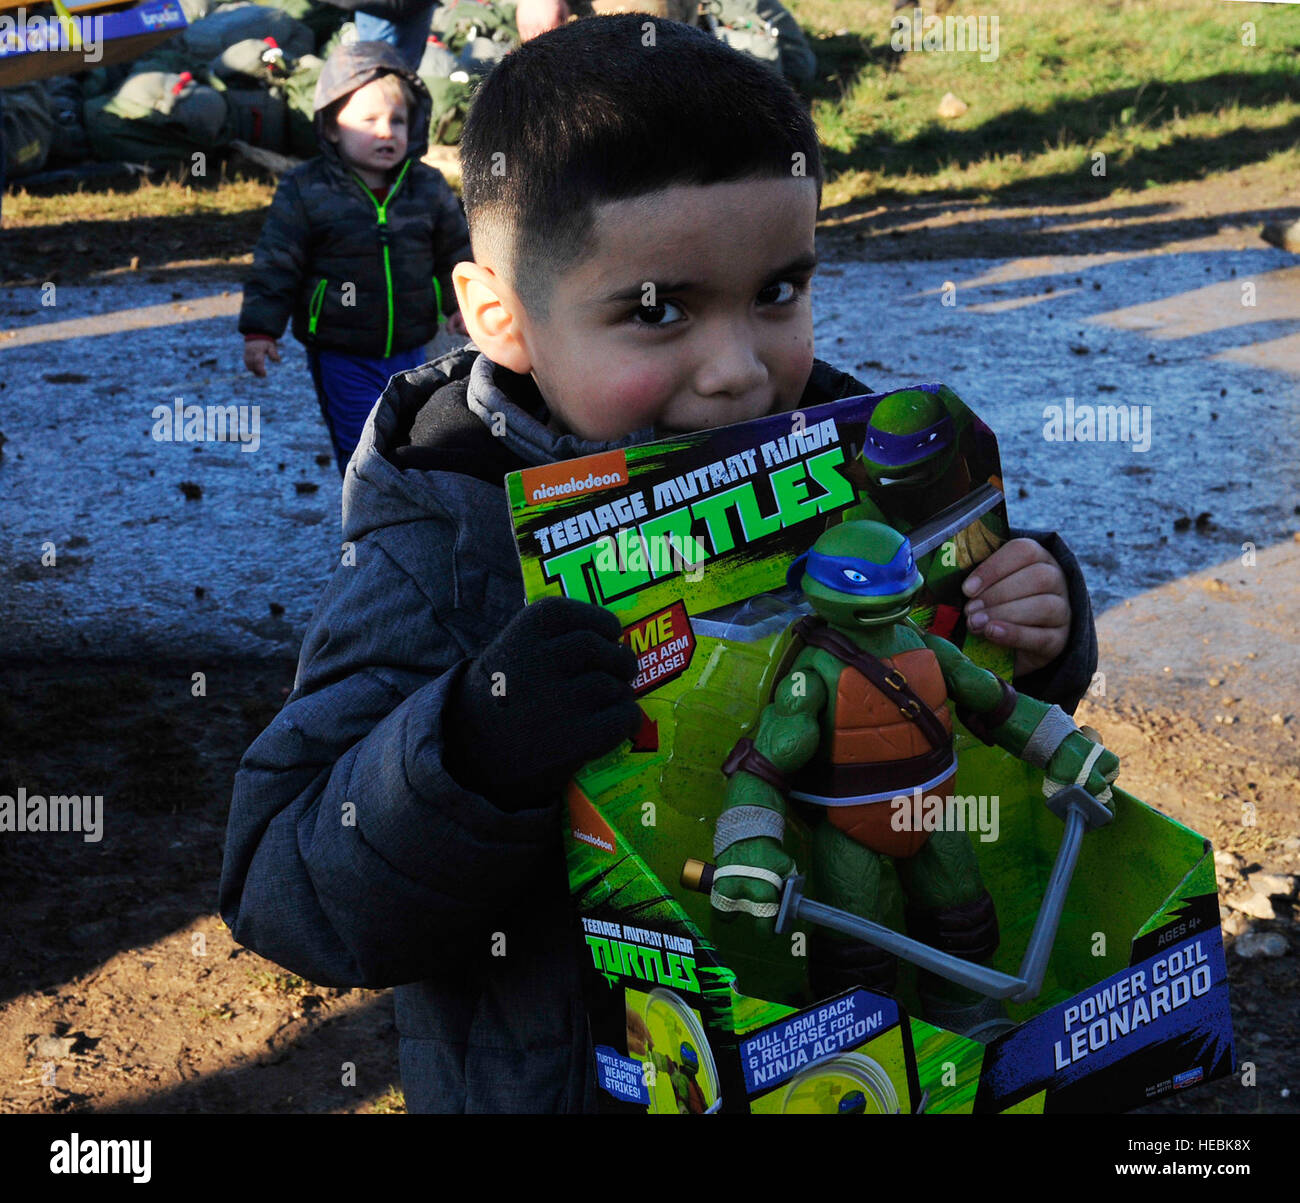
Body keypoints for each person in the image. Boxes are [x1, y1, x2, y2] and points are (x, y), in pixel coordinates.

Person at [219, 17, 1099, 1113]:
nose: (736, 372)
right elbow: (281, 886)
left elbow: (935, 695)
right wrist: (471, 749)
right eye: (656, 309)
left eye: (777, 290)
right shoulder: (443, 545)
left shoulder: (853, 469)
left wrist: (1030, 625)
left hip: (847, 1043)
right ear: (501, 316)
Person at [239, 41, 471, 474]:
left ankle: (404, 517)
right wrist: (259, 330)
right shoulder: (305, 189)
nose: (386, 131)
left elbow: (453, 250)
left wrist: (458, 303)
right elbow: (277, 262)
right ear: (331, 127)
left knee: (406, 437)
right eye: (369, 120)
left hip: (409, 345)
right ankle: (363, 525)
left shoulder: (426, 186)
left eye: (397, 120)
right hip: (340, 350)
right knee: (361, 444)